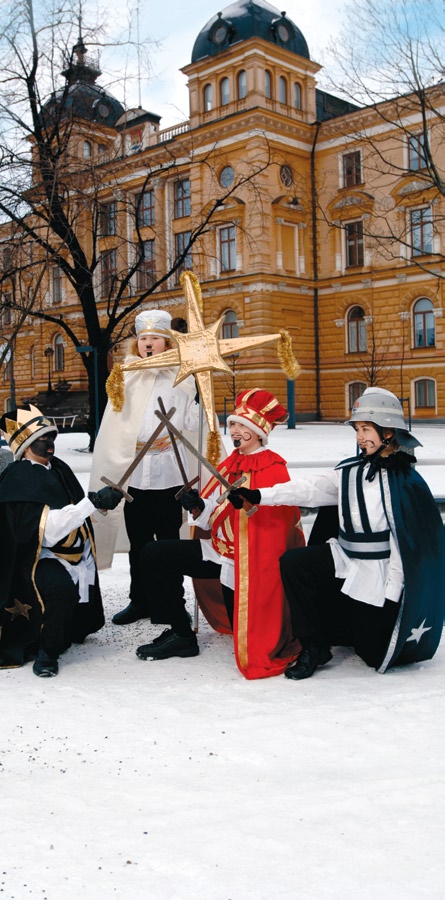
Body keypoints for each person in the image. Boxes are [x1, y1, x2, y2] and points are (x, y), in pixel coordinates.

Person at [228, 387, 445, 680]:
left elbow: (405, 546)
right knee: (295, 563)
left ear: (389, 432)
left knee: (371, 653)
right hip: (346, 557)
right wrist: (258, 494)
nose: (359, 437)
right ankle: (314, 646)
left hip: (379, 570)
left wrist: (393, 593)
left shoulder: (406, 483)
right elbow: (310, 489)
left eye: (366, 429)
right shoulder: (349, 471)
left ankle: (365, 624)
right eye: (357, 429)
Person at [135, 389, 305, 679]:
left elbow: (273, 528)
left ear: (258, 431)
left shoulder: (272, 468)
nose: (234, 430)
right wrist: (198, 506)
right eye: (234, 424)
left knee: (242, 623)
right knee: (154, 554)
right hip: (218, 552)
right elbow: (212, 516)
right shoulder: (231, 462)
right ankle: (181, 634)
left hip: (248, 564)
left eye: (241, 426)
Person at [89, 308, 201, 625]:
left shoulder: (183, 374)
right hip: (133, 475)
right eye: (143, 339)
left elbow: (193, 422)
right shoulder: (125, 374)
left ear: (167, 342)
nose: (148, 344)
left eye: (155, 338)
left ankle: (170, 604)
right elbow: (115, 424)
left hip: (169, 474)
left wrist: (196, 404)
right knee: (139, 544)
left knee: (168, 543)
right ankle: (139, 601)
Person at [0, 404, 121, 677]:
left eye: (52, 437)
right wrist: (92, 503)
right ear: (27, 444)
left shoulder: (58, 468)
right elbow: (50, 529)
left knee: (77, 581)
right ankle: (48, 651)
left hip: (69, 552)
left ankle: (66, 628)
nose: (50, 443)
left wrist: (99, 501)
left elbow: (76, 507)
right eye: (42, 439)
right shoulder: (19, 478)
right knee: (59, 587)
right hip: (32, 559)